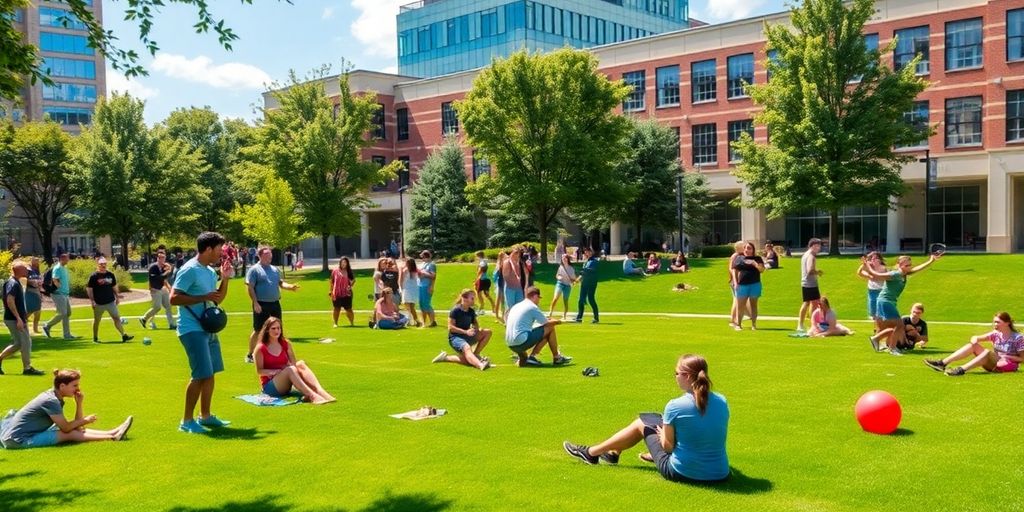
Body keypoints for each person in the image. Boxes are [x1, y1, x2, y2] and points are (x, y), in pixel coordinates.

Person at [562, 354, 730, 484]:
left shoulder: (675, 405)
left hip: (682, 472)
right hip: (720, 473)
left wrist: (663, 435)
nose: (675, 376)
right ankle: (613, 452)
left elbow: (668, 447)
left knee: (642, 423)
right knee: (656, 418)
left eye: (676, 373)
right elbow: (704, 432)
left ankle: (591, 453)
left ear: (686, 376)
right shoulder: (722, 401)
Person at [170, 231, 235, 434]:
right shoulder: (190, 270)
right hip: (191, 329)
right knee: (200, 375)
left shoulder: (209, 271)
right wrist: (201, 297)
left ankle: (205, 416)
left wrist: (225, 279)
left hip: (208, 328)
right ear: (208, 249)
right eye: (218, 249)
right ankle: (186, 421)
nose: (221, 254)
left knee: (211, 373)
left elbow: (217, 299)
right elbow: (173, 298)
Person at [0, 369, 133, 449]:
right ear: (62, 386)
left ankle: (114, 432)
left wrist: (79, 403)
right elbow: (67, 429)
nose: (78, 389)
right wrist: (85, 420)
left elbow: (75, 426)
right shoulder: (50, 400)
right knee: (68, 434)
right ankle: (113, 437)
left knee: (74, 429)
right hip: (17, 440)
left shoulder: (54, 396)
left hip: (20, 435)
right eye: (74, 385)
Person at [858, 253, 940, 355]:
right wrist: (867, 265)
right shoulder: (895, 274)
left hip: (890, 301)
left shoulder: (904, 274)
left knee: (892, 327)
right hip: (885, 301)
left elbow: (918, 269)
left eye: (910, 265)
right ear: (900, 265)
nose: (909, 267)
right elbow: (876, 275)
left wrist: (931, 260)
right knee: (900, 325)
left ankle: (877, 339)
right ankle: (891, 348)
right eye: (906, 265)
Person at [254, 317, 335, 403]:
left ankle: (320, 391)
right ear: (267, 330)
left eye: (278, 328)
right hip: (270, 386)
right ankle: (312, 396)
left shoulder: (285, 343)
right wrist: (275, 371)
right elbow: (259, 371)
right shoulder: (261, 348)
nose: (276, 331)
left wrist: (285, 368)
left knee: (300, 364)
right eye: (273, 328)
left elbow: (294, 364)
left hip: (285, 381)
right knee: (290, 369)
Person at [245, 246, 300, 364]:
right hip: (261, 304)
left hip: (275, 303)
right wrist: (255, 303)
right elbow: (250, 287)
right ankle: (250, 354)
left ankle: (280, 353)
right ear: (260, 256)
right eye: (266, 255)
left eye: (270, 255)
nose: (270, 257)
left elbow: (280, 283)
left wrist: (290, 287)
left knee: (277, 329)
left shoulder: (275, 269)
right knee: (258, 329)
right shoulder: (254, 270)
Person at [925, 312, 1023, 376]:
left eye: (998, 322)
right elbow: (976, 337)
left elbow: (1022, 359)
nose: (995, 325)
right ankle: (942, 363)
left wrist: (1008, 356)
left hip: (1007, 365)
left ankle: (961, 370)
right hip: (995, 362)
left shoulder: (1018, 338)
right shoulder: (995, 334)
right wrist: (974, 340)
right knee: (973, 346)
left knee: (987, 352)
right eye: (994, 322)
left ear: (1007, 323)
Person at [505, 286, 572, 366]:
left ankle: (528, 358)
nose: (539, 301)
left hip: (510, 344)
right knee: (550, 328)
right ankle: (556, 357)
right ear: (535, 296)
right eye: (539, 298)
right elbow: (546, 323)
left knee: (524, 360)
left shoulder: (517, 306)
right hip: (521, 341)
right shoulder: (532, 306)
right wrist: (559, 321)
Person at [432, 289, 493, 371]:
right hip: (455, 338)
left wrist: (476, 328)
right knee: (467, 352)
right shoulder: (455, 310)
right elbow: (451, 328)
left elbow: (475, 322)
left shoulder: (471, 311)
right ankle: (480, 365)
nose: (473, 300)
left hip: (467, 336)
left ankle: (476, 354)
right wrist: (465, 332)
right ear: (464, 299)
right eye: (472, 298)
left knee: (487, 332)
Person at [0, 262, 44, 375]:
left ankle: (1, 358)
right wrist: (18, 318)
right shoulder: (13, 283)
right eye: (25, 270)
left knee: (19, 343)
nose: (27, 272)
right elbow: (10, 300)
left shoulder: (14, 282)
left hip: (14, 318)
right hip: (14, 319)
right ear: (18, 271)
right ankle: (27, 368)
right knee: (26, 342)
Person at [87, 257, 133, 344]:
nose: (103, 265)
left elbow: (114, 286)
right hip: (99, 303)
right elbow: (89, 289)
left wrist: (117, 297)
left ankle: (124, 335)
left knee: (116, 318)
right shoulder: (94, 276)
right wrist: (92, 301)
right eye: (101, 264)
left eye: (104, 264)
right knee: (97, 321)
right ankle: (95, 338)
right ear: (98, 265)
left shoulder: (110, 274)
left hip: (110, 301)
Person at [140, 250, 176, 330]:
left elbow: (164, 279)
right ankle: (144, 319)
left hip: (162, 288)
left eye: (164, 258)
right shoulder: (153, 267)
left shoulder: (164, 267)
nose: (163, 259)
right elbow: (157, 278)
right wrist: (167, 272)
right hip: (155, 289)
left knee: (168, 306)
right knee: (157, 307)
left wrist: (168, 286)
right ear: (158, 258)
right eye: (161, 258)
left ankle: (171, 324)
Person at [732, 242, 765, 331]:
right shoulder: (739, 258)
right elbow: (734, 270)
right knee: (740, 306)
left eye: (749, 248)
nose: (747, 250)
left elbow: (762, 270)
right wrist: (735, 282)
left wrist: (754, 263)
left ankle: (754, 325)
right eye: (746, 248)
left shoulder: (757, 259)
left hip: (755, 284)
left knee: (753, 305)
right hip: (742, 285)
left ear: (753, 250)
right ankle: (738, 325)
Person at [42, 252, 74, 340]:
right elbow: (55, 278)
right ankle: (47, 325)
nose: (68, 260)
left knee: (67, 313)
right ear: (62, 259)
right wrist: (59, 286)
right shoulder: (58, 268)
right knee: (63, 313)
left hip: (65, 294)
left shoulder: (64, 268)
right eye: (67, 258)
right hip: (58, 294)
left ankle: (67, 334)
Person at [796, 238, 824, 333]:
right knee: (810, 303)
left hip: (807, 283)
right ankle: (803, 324)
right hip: (810, 283)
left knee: (813, 303)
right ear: (812, 246)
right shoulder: (811, 256)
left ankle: (812, 324)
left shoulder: (805, 255)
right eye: (817, 246)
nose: (819, 248)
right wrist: (818, 272)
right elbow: (810, 270)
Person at [857, 251, 887, 334]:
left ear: (880, 260)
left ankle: (880, 328)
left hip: (881, 290)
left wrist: (872, 275)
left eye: (876, 258)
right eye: (872, 258)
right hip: (872, 291)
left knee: (880, 310)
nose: (874, 260)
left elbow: (883, 278)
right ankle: (877, 328)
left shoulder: (883, 268)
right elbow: (859, 272)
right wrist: (864, 265)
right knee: (873, 311)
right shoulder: (869, 267)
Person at [549, 254, 577, 319]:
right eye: (562, 258)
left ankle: (564, 315)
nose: (563, 259)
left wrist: (573, 281)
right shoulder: (561, 267)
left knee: (565, 300)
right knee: (555, 298)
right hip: (560, 283)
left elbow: (573, 279)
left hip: (567, 286)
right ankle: (550, 312)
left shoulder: (571, 268)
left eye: (565, 258)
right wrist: (559, 277)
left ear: (567, 259)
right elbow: (557, 275)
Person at [575, 247, 599, 324]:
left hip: (591, 283)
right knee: (581, 300)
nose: (586, 253)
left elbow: (591, 270)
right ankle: (579, 318)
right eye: (585, 252)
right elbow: (583, 273)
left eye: (587, 252)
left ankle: (596, 318)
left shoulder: (594, 261)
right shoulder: (585, 262)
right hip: (584, 283)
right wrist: (577, 279)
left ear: (591, 252)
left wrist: (581, 270)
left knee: (591, 299)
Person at [329, 257, 355, 328]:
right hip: (336, 293)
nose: (344, 264)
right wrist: (331, 291)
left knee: (349, 309)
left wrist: (350, 286)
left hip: (346, 293)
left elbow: (353, 280)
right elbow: (332, 282)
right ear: (340, 263)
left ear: (347, 264)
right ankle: (335, 323)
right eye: (342, 262)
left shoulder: (348, 271)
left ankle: (352, 322)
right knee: (336, 308)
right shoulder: (335, 271)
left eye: (345, 262)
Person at [399, 257, 422, 327]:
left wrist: (400, 288)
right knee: (412, 306)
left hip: (407, 289)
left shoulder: (405, 270)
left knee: (407, 306)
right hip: (414, 289)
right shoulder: (416, 270)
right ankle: (412, 320)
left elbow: (401, 280)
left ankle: (415, 320)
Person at [502, 246, 525, 314]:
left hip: (518, 288)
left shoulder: (518, 262)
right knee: (510, 307)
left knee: (519, 307)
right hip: (510, 288)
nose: (517, 254)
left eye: (519, 253)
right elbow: (506, 276)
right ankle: (508, 323)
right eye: (515, 252)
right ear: (511, 253)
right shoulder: (507, 262)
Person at [418, 250, 438, 327]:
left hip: (427, 286)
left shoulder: (431, 265)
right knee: (421, 304)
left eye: (424, 257)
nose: (423, 258)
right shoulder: (421, 264)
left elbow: (433, 276)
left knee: (426, 304)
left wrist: (431, 286)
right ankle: (428, 322)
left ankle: (430, 321)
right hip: (419, 285)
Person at [727, 241, 744, 329]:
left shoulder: (740, 255)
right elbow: (731, 268)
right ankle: (733, 319)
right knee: (736, 299)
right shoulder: (735, 256)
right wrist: (736, 277)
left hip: (738, 280)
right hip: (735, 281)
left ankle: (736, 318)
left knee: (738, 299)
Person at [25, 257, 42, 334]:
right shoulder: (28, 270)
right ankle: (22, 325)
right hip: (29, 291)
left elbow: (39, 280)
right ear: (31, 261)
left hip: (37, 291)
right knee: (30, 311)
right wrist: (31, 282)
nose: (37, 262)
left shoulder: (37, 270)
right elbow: (24, 279)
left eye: (38, 261)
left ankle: (35, 329)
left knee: (38, 312)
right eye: (36, 261)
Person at [492, 251, 507, 322]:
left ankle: (501, 314)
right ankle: (499, 314)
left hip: (502, 283)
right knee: (500, 300)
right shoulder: (501, 264)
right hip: (501, 284)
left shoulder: (500, 263)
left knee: (501, 300)